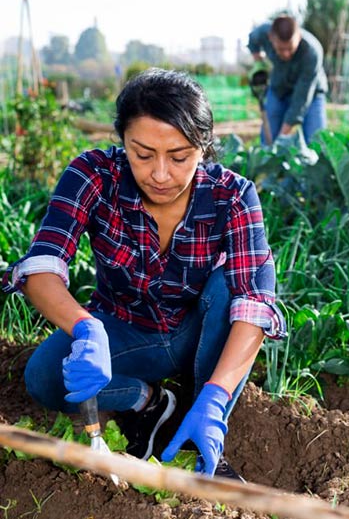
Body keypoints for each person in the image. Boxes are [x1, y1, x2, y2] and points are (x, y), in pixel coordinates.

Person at [1, 68, 286, 480]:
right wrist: (86, 328)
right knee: (44, 377)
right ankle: (150, 402)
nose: (160, 174)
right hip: (123, 329)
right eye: (143, 154)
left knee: (234, 285)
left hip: (196, 334)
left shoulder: (233, 195)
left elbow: (256, 306)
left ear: (203, 148)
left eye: (180, 156)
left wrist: (216, 397)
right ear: (123, 143)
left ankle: (202, 417)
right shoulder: (94, 175)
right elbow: (42, 265)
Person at [247, 14, 328, 145]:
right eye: (280, 49)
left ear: (299, 37)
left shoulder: (312, 52)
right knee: (268, 142)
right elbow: (252, 39)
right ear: (270, 38)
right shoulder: (263, 32)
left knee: (318, 143)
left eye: (290, 48)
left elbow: (301, 98)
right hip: (279, 89)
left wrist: (282, 137)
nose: (286, 54)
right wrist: (258, 61)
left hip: (311, 93)